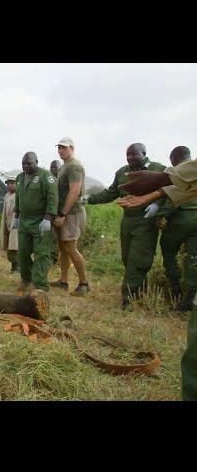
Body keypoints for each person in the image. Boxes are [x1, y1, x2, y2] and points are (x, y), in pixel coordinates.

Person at [116, 153, 197, 401]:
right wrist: (152, 194)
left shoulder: (163, 170)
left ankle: (177, 291)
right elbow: (183, 188)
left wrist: (160, 180)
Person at [86, 143, 166, 309]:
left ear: (144, 153)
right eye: (127, 155)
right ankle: (142, 293)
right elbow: (111, 193)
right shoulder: (122, 172)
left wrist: (157, 204)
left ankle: (128, 299)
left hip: (146, 220)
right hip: (128, 220)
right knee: (127, 258)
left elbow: (170, 189)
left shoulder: (159, 169)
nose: (130, 158)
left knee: (138, 259)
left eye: (134, 155)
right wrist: (89, 199)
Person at [141, 147, 197, 311]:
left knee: (168, 249)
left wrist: (159, 216)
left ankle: (175, 288)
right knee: (192, 258)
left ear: (174, 159)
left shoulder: (179, 174)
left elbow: (172, 200)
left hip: (181, 220)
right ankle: (191, 296)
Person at [49, 137, 90, 296]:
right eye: (59, 148)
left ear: (72, 148)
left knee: (71, 248)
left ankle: (84, 283)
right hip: (65, 213)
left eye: (64, 148)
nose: (61, 150)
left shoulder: (74, 167)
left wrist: (62, 213)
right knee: (63, 248)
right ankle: (63, 281)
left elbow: (74, 191)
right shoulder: (65, 166)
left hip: (71, 213)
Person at [13, 152, 58, 292]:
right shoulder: (20, 178)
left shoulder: (46, 176)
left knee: (41, 253)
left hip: (41, 221)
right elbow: (18, 198)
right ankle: (26, 279)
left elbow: (52, 197)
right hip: (24, 221)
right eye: (23, 163)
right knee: (22, 253)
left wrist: (48, 218)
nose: (26, 166)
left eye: (29, 163)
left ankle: (40, 285)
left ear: (36, 162)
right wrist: (16, 215)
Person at [0, 177, 19, 273]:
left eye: (12, 183)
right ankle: (14, 267)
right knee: (9, 246)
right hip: (7, 224)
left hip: (16, 224)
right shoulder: (7, 196)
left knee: (15, 247)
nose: (10, 185)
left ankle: (16, 268)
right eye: (8, 184)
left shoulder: (19, 195)